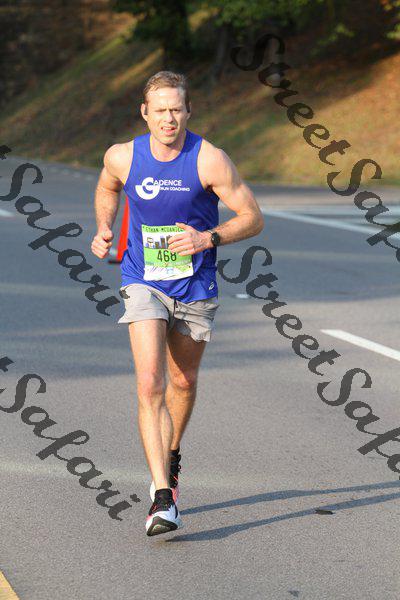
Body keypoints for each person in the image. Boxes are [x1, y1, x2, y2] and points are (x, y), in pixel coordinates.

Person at [91, 71, 264, 536]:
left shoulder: (209, 159)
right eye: (160, 110)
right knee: (150, 382)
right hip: (142, 280)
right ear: (144, 114)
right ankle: (163, 498)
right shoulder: (122, 156)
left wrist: (208, 238)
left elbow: (252, 217)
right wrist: (105, 226)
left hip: (195, 286)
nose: (168, 118)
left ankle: (171, 455)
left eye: (176, 109)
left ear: (188, 112)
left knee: (183, 381)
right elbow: (107, 187)